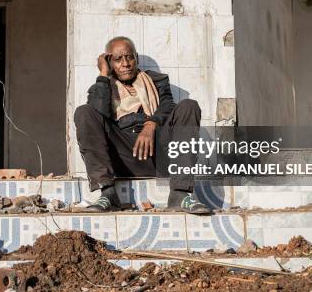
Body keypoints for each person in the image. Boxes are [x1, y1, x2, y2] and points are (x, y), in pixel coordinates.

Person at [74, 36, 210, 214]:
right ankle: (108, 194)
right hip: (121, 156)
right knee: (84, 112)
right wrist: (103, 75)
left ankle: (180, 193)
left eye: (129, 57)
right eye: (118, 59)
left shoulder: (156, 81)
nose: (125, 63)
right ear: (109, 62)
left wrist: (151, 124)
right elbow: (97, 115)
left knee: (188, 106)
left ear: (136, 58)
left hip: (157, 154)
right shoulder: (102, 86)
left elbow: (167, 106)